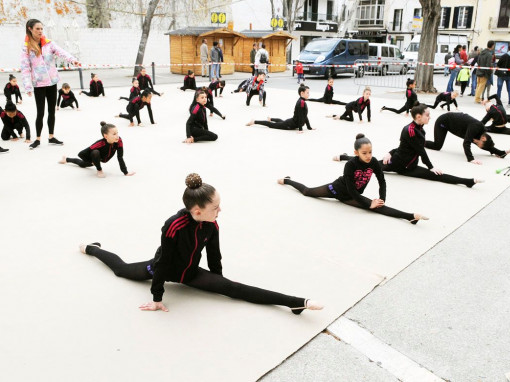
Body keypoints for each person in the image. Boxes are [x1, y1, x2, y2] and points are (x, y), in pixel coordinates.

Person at [79, 173, 323, 314]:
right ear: (197, 210)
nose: (220, 210)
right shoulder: (173, 225)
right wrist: (157, 297)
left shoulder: (211, 225)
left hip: (191, 273)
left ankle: (296, 303)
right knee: (121, 270)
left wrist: (219, 281)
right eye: (215, 208)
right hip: (162, 268)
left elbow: (214, 255)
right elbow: (163, 262)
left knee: (236, 289)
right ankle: (93, 248)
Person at [280, 134, 427, 224]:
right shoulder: (351, 165)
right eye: (364, 153)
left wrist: (381, 199)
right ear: (356, 153)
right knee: (307, 191)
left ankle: (410, 217)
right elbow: (350, 188)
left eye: (370, 152)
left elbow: (382, 180)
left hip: (352, 196)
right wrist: (367, 203)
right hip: (337, 190)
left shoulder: (374, 162)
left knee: (378, 207)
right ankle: (288, 180)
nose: (368, 156)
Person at [380, 104, 482, 187]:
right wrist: (431, 167)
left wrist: (389, 153)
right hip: (399, 164)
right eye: (427, 115)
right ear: (419, 117)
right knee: (371, 164)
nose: (430, 117)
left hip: (410, 165)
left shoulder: (420, 129)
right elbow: (420, 150)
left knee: (437, 175)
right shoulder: (411, 131)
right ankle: (468, 182)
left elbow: (405, 146)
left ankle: (468, 182)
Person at [20, 18, 79, 150]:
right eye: (37, 29)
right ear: (30, 29)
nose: (40, 31)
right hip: (39, 84)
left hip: (52, 82)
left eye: (41, 28)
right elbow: (25, 68)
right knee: (40, 113)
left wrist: (72, 60)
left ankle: (51, 137)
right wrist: (28, 86)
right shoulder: (26, 48)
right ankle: (38, 139)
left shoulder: (48, 44)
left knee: (52, 112)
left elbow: (61, 52)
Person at [425, 112, 510, 164]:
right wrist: (471, 159)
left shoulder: (481, 134)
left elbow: (487, 145)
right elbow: (466, 143)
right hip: (443, 122)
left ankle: (500, 153)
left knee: (473, 139)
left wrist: (501, 153)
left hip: (455, 126)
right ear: (483, 139)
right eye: (479, 144)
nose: (478, 145)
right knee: (437, 146)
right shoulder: (475, 128)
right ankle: (420, 141)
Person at [59, 122, 135, 178]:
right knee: (93, 154)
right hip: (95, 157)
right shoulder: (100, 143)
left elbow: (120, 157)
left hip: (102, 159)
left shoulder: (119, 141)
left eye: (117, 133)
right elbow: (81, 154)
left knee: (82, 164)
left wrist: (126, 172)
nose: (117, 136)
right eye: (114, 134)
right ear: (105, 136)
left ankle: (66, 159)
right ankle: (99, 170)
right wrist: (92, 161)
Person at [246, 84, 314, 133]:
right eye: (307, 93)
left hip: (291, 122)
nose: (309, 94)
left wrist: (309, 127)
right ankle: (254, 121)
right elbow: (300, 116)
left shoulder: (302, 102)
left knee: (282, 121)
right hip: (289, 125)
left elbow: (304, 116)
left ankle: (271, 119)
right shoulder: (301, 103)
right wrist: (300, 129)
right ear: (302, 93)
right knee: (271, 125)